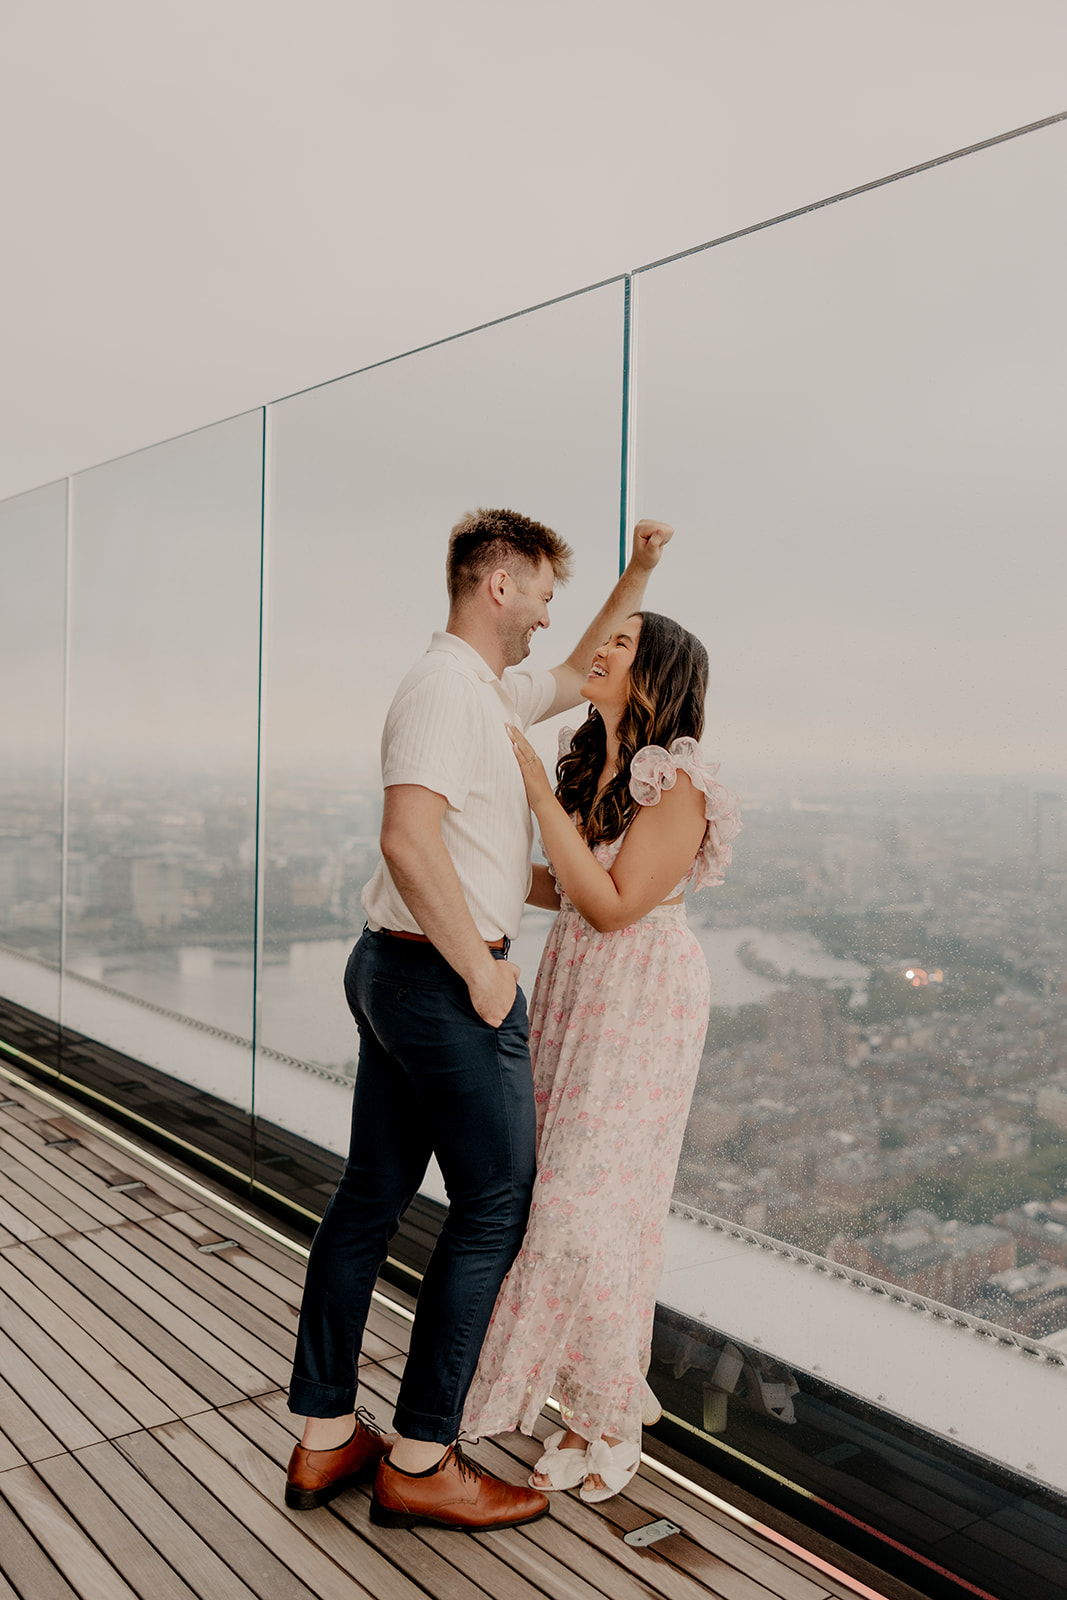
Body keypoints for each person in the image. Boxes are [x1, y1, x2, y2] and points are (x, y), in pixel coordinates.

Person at [285, 507, 675, 1531]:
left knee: (371, 1196)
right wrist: (483, 973)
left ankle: (327, 1439)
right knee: (494, 1208)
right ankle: (420, 1456)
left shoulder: (482, 689)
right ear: (496, 585)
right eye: (543, 593)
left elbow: (588, 657)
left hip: (400, 974)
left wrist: (635, 571)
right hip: (441, 983)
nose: (553, 618)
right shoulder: (443, 694)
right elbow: (408, 843)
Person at [462, 608, 742, 1502]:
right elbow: (570, 887)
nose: (599, 652)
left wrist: (537, 802)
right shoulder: (598, 763)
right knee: (567, 1195)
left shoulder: (681, 780)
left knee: (592, 1207)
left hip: (642, 996)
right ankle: (604, 1394)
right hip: (582, 983)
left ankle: (608, 1415)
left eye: (620, 645)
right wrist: (480, 855)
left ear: (655, 672)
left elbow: (618, 903)